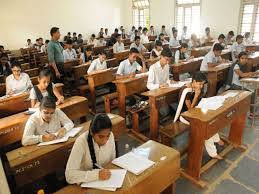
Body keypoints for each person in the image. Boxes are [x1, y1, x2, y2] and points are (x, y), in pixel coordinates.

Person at [178, 72, 224, 159]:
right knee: (204, 127)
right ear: (194, 81)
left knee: (211, 121)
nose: (201, 86)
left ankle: (216, 139)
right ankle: (212, 153)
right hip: (185, 116)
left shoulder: (197, 87)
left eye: (202, 84)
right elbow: (189, 111)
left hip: (196, 112)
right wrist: (196, 96)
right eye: (200, 84)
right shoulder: (186, 91)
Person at [65, 113, 115, 184]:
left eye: (108, 136)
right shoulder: (81, 142)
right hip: (86, 184)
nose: (105, 140)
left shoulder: (111, 136)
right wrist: (96, 175)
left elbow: (112, 161)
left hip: (106, 181)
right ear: (92, 132)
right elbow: (69, 175)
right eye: (101, 137)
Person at [147, 48, 174, 116]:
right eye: (166, 59)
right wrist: (159, 85)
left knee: (176, 102)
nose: (168, 62)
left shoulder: (167, 66)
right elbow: (149, 85)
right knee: (165, 112)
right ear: (161, 57)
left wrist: (170, 81)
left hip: (165, 91)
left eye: (169, 60)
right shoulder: (153, 68)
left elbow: (167, 79)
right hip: (156, 94)